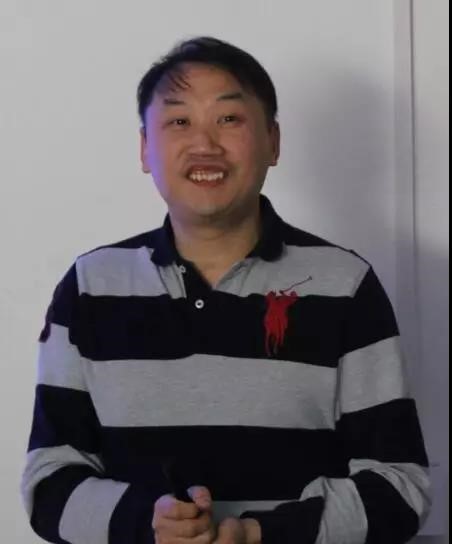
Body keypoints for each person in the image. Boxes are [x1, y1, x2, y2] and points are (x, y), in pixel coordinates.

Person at [22, 36, 431, 544]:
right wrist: (149, 524)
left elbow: (400, 487)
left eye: (229, 119)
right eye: (179, 121)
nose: (204, 145)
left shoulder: (345, 285)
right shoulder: (90, 286)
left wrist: (259, 534)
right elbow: (49, 482)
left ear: (273, 142)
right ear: (145, 149)